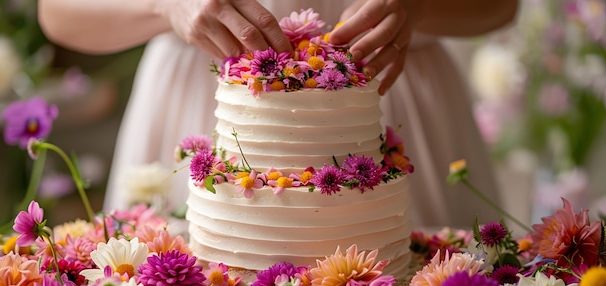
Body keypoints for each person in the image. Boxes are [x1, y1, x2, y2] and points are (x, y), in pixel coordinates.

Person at [38, 0, 518, 228]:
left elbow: (500, 6)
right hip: (208, 97)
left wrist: (415, 8)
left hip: (395, 91)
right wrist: (165, 6)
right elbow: (57, 12)